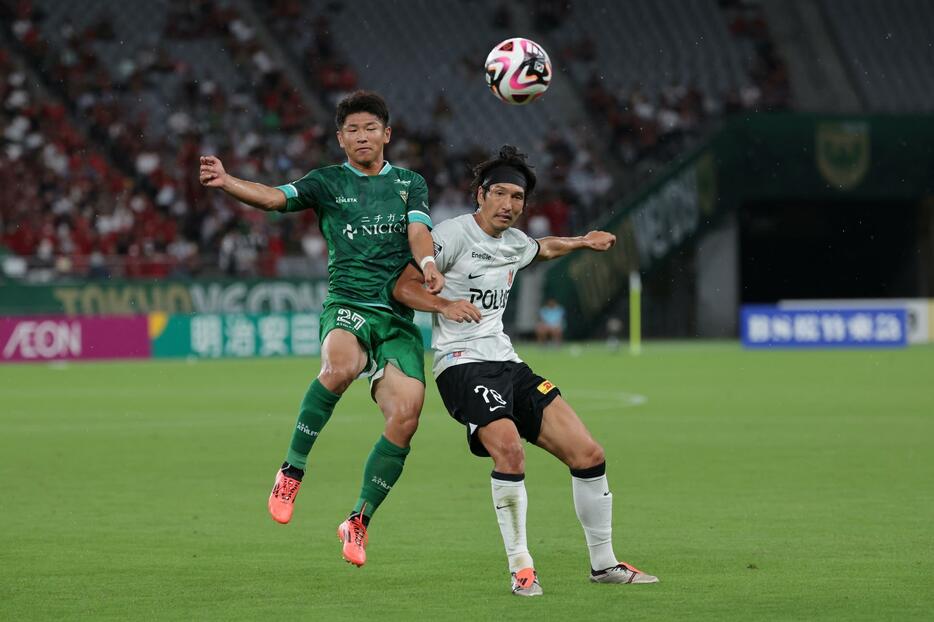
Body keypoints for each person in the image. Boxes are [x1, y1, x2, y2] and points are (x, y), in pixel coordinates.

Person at [393, 145, 658, 596]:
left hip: (508, 363)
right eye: (499, 193)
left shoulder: (514, 242)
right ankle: (521, 568)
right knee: (510, 452)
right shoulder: (453, 235)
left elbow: (542, 248)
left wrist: (582, 241)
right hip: (461, 366)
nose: (508, 204)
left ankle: (605, 565)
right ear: (480, 194)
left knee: (589, 454)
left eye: (517, 197)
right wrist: (443, 304)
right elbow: (403, 285)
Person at [199, 90, 444, 568]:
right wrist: (227, 182)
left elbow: (418, 230)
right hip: (348, 304)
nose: (361, 136)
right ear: (340, 139)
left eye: (370, 128)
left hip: (395, 319)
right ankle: (291, 470)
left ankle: (358, 520)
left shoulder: (410, 183)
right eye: (351, 130)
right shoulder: (327, 182)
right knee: (341, 364)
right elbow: (275, 198)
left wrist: (429, 261)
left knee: (407, 415)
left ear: (386, 134)